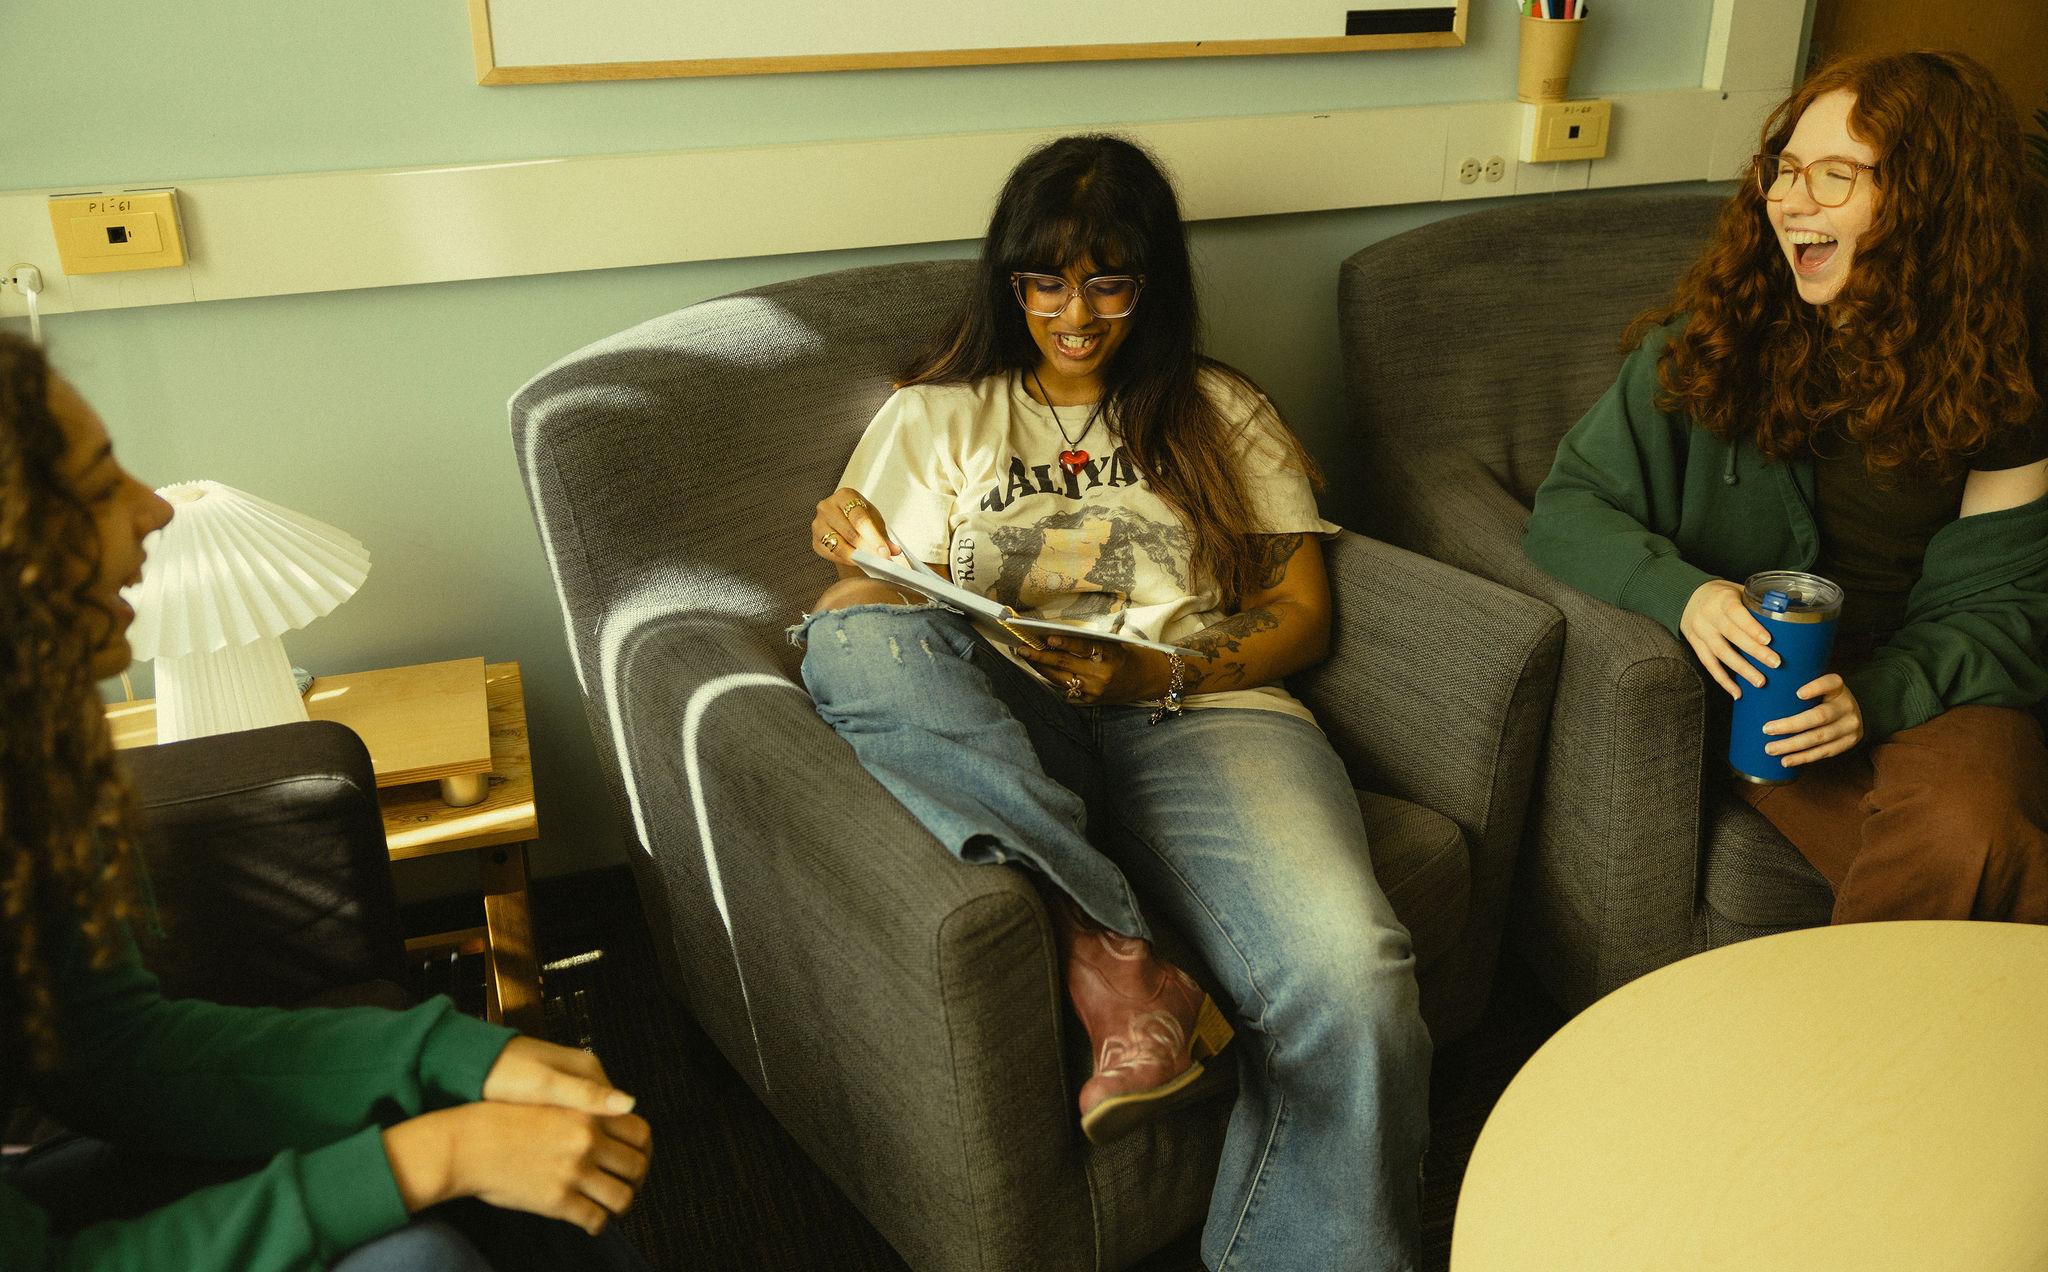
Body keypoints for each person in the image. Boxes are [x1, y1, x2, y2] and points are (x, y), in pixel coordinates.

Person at [791, 135, 1430, 1271]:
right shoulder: (938, 415)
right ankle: (1120, 948)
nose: (1072, 312)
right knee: (849, 639)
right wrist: (847, 543)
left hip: (1199, 714)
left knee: (1356, 974)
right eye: (1042, 281)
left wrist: (1157, 673)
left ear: (1153, 282)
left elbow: (1299, 616)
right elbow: (870, 611)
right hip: (1007, 714)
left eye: (1105, 279)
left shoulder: (1216, 408)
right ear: (1008, 283)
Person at [0, 329, 655, 1270]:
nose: (150, 510)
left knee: (522, 1185)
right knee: (418, 1255)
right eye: (100, 483)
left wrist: (452, 1062)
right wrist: (429, 1161)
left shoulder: (32, 773)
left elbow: (111, 1051)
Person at [1523, 50, 2048, 923]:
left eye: (1835, 175)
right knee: (1985, 870)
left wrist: (1877, 700)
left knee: (1974, 832)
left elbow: (2003, 605)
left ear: (1930, 201)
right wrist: (1683, 595)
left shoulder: (2001, 373)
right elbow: (1568, 509)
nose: (1792, 201)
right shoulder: (1710, 343)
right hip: (1774, 697)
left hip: (1936, 685)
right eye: (1787, 168)